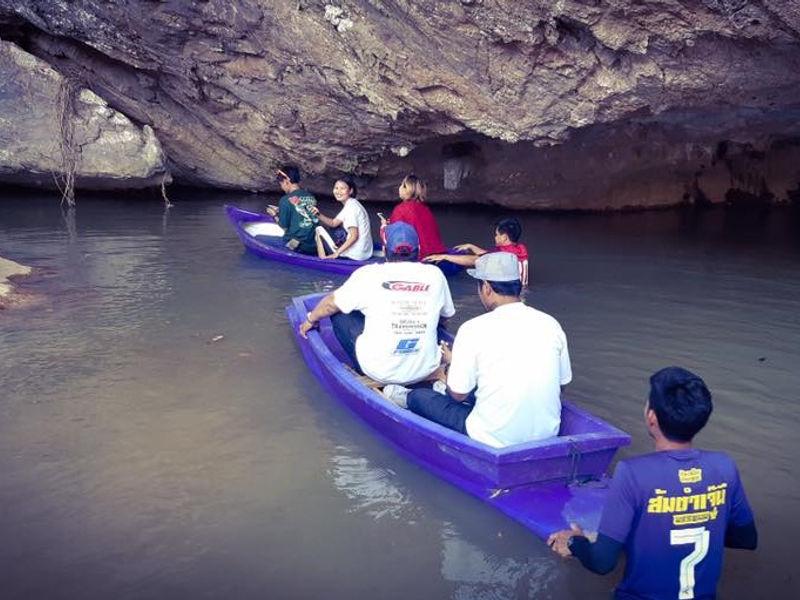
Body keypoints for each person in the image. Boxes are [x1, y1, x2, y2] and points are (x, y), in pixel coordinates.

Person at [547, 367, 757, 600]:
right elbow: (746, 539)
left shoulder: (633, 473)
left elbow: (602, 562)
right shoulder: (724, 467)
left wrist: (575, 542)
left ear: (652, 417)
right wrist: (697, 519)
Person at [407, 252, 571, 448]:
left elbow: (458, 395)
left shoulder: (473, 328)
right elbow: (561, 386)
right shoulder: (551, 324)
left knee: (419, 397)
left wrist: (445, 371)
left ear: (486, 288)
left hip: (493, 437)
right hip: (547, 434)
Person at [298, 222, 455, 385]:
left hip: (380, 372)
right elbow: (445, 318)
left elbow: (330, 304)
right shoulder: (436, 275)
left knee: (340, 310)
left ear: (385, 251)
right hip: (424, 369)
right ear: (419, 251)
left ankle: (363, 368)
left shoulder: (369, 274)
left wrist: (311, 320)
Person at [424, 217, 530, 285]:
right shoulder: (520, 249)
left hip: (507, 294)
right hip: (519, 291)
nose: (495, 237)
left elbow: (474, 260)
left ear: (504, 238)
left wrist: (444, 257)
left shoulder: (501, 256)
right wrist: (471, 246)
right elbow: (489, 256)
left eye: (497, 235)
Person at [379, 175, 449, 263]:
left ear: (407, 189)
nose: (399, 188)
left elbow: (394, 238)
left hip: (417, 257)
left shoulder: (400, 209)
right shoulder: (425, 209)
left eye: (402, 185)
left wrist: (384, 226)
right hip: (436, 255)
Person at [311, 176, 374, 261]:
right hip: (365, 253)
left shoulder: (351, 208)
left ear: (350, 191)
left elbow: (354, 236)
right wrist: (317, 214)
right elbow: (333, 223)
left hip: (356, 254)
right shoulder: (351, 203)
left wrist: (337, 253)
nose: (338, 191)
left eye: (342, 188)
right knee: (333, 229)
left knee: (318, 229)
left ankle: (323, 260)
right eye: (336, 188)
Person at [265, 166, 319, 255]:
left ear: (286, 182)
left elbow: (284, 226)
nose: (282, 187)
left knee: (259, 237)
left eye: (281, 184)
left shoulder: (285, 200)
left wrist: (274, 215)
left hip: (297, 246)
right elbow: (303, 211)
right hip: (313, 245)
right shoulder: (311, 197)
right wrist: (280, 210)